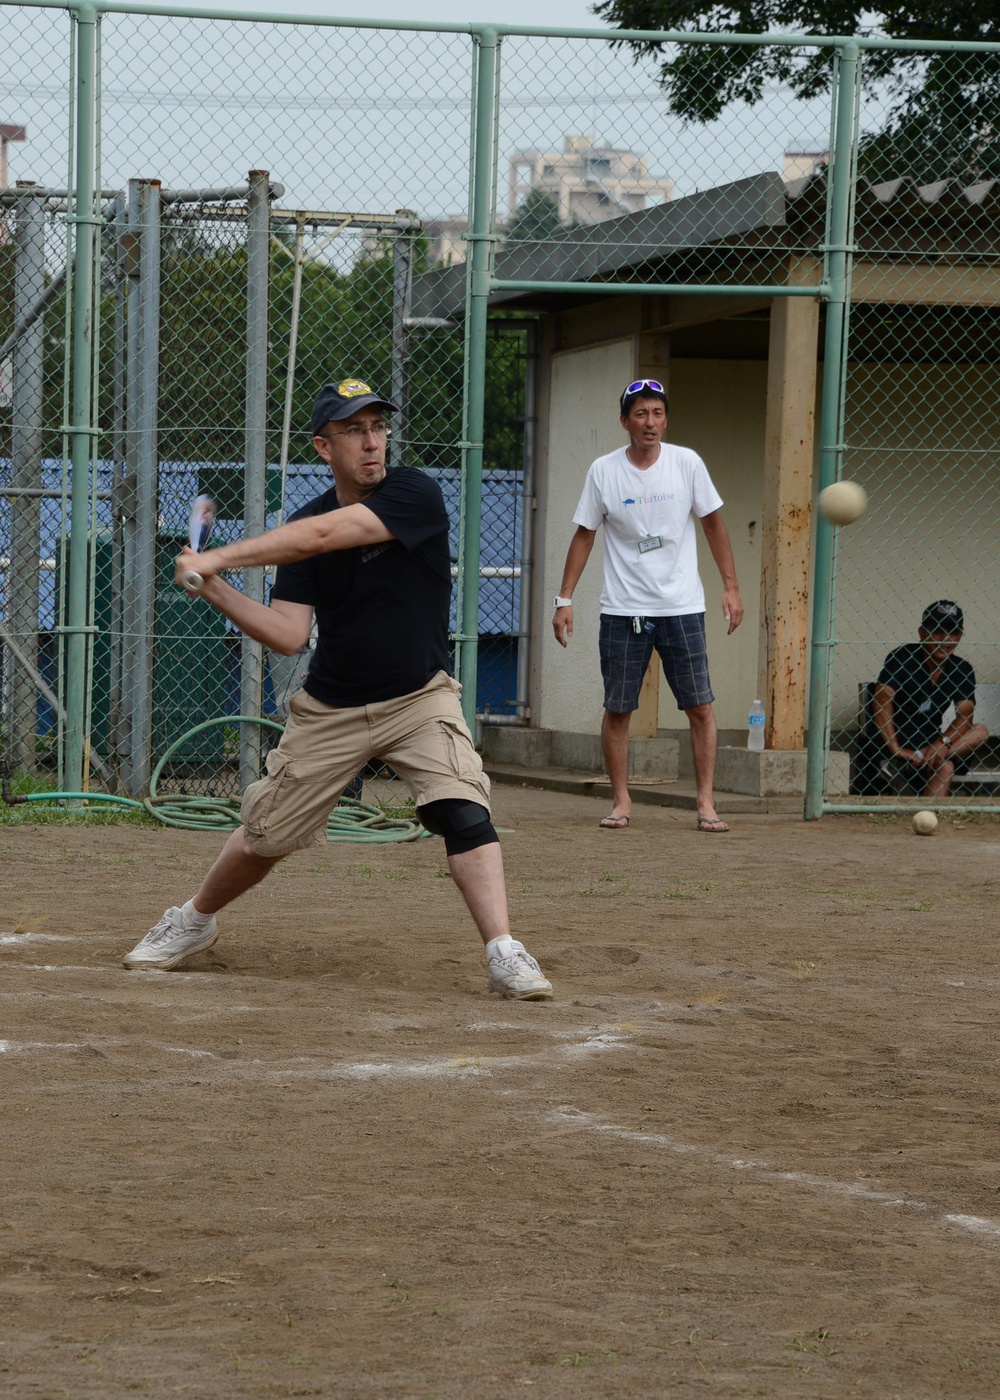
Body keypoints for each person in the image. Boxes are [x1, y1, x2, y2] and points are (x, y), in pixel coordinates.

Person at [123, 376, 552, 1000]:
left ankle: (503, 950)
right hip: (332, 708)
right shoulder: (302, 523)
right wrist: (211, 588)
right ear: (324, 448)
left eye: (378, 427)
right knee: (266, 835)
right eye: (354, 431)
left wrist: (219, 558)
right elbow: (289, 634)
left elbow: (329, 535)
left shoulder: (415, 493)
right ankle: (192, 920)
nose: (372, 442)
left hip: (419, 697)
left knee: (463, 808)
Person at [552, 378, 743, 832]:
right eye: (640, 414)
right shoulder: (604, 471)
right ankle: (621, 801)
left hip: (681, 606)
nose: (650, 422)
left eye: (657, 413)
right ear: (624, 422)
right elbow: (585, 534)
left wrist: (730, 587)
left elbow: (714, 525)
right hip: (624, 608)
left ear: (665, 419)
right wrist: (564, 599)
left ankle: (705, 803)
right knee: (619, 707)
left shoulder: (687, 463)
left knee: (700, 706)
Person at [872, 600, 988, 798]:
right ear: (922, 633)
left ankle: (926, 813)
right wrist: (895, 749)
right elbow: (882, 701)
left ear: (960, 636)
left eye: (952, 633)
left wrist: (942, 743)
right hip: (896, 740)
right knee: (946, 765)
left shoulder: (962, 669)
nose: (945, 639)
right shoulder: (902, 657)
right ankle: (904, 761)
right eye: (937, 631)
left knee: (979, 732)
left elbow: (965, 717)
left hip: (933, 741)